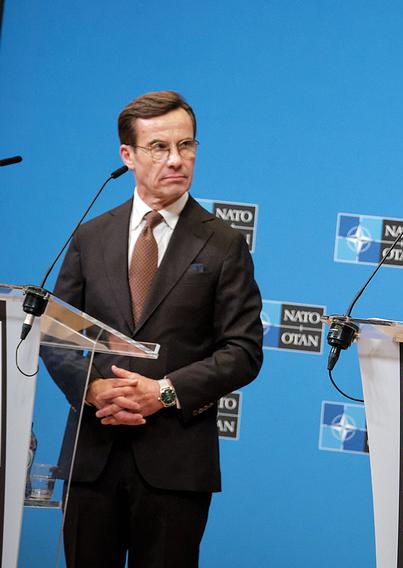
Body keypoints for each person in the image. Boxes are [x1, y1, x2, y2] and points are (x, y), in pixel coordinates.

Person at [51, 90, 264, 567]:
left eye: (186, 146)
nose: (176, 160)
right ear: (127, 156)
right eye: (159, 147)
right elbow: (57, 334)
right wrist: (94, 389)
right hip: (94, 454)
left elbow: (244, 351)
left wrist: (164, 392)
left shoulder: (224, 244)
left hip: (175, 462)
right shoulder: (91, 235)